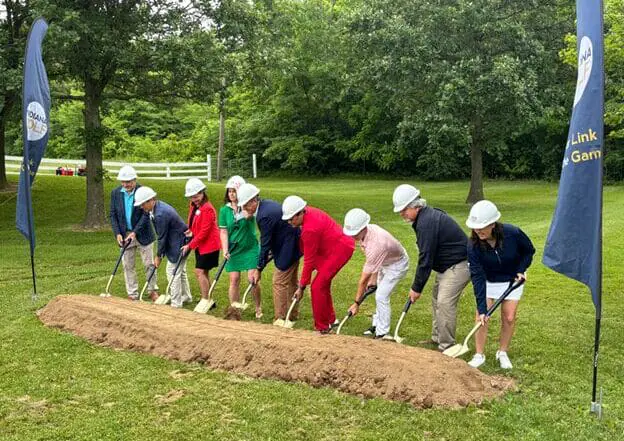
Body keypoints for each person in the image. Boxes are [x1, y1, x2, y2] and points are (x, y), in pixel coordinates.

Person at [392, 184, 470, 351]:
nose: (401, 213)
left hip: (459, 265)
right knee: (436, 298)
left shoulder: (426, 222)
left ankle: (447, 345)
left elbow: (425, 258)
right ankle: (437, 337)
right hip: (446, 266)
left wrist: (416, 288)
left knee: (444, 302)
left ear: (416, 206)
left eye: (404, 209)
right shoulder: (425, 218)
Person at [465, 200, 535, 369]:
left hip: (512, 280)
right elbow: (477, 276)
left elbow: (528, 251)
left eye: (482, 226)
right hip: (488, 281)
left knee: (509, 317)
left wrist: (521, 269)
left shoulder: (513, 233)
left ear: (493, 224)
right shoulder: (473, 245)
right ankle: (479, 354)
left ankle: (502, 352)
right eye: (475, 226)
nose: (478, 230)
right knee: (481, 319)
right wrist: (482, 308)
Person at [282, 195, 355, 334]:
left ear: (301, 212)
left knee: (316, 286)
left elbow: (309, 261)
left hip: (340, 250)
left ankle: (322, 327)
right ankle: (331, 320)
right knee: (322, 284)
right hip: (333, 247)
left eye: (292, 218)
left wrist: (301, 286)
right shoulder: (308, 211)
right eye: (288, 219)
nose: (290, 222)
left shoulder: (309, 229)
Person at [237, 183, 301, 325]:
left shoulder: (263, 216)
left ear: (254, 201)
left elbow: (265, 244)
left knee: (279, 282)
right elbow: (270, 240)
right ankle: (293, 314)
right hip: (292, 244)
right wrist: (262, 263)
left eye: (246, 205)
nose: (244, 209)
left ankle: (281, 318)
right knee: (291, 282)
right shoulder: (266, 205)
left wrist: (258, 268)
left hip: (289, 247)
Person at [343, 208, 410, 339]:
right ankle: (377, 324)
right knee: (378, 292)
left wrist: (356, 303)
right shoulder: (368, 231)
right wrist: (374, 279)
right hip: (385, 261)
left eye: (355, 233)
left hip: (397, 264)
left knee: (381, 296)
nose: (353, 236)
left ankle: (382, 332)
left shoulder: (376, 244)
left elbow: (363, 280)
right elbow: (374, 262)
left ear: (363, 228)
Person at [134, 186, 191, 308]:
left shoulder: (160, 213)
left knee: (172, 272)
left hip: (180, 242)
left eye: (142, 204)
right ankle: (186, 296)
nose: (141, 207)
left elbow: (161, 237)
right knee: (181, 271)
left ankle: (176, 303)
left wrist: (159, 256)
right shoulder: (155, 209)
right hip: (177, 241)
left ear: (150, 200)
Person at [109, 165, 158, 301]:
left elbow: (146, 214)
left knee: (149, 263)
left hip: (143, 234)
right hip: (125, 234)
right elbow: (113, 215)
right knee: (128, 265)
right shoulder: (115, 193)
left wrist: (135, 232)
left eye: (129, 181)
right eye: (123, 182)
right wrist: (118, 233)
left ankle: (152, 289)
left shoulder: (142, 191)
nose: (126, 184)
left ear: (134, 180)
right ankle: (132, 293)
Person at [218, 176, 262, 318]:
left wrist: (242, 212)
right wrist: (225, 250)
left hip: (249, 247)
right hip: (234, 249)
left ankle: (258, 307)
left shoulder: (249, 207)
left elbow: (248, 216)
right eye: (229, 191)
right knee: (234, 278)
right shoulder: (224, 211)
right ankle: (234, 308)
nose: (231, 194)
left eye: (234, 191)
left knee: (252, 278)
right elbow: (224, 231)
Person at [180, 178, 221, 313]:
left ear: (203, 193)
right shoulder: (194, 206)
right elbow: (193, 222)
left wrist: (190, 246)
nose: (194, 198)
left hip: (209, 245)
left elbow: (204, 232)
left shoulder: (208, 209)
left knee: (199, 272)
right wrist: (191, 230)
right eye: (192, 196)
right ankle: (209, 299)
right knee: (204, 272)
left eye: (197, 195)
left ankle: (205, 299)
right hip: (200, 245)